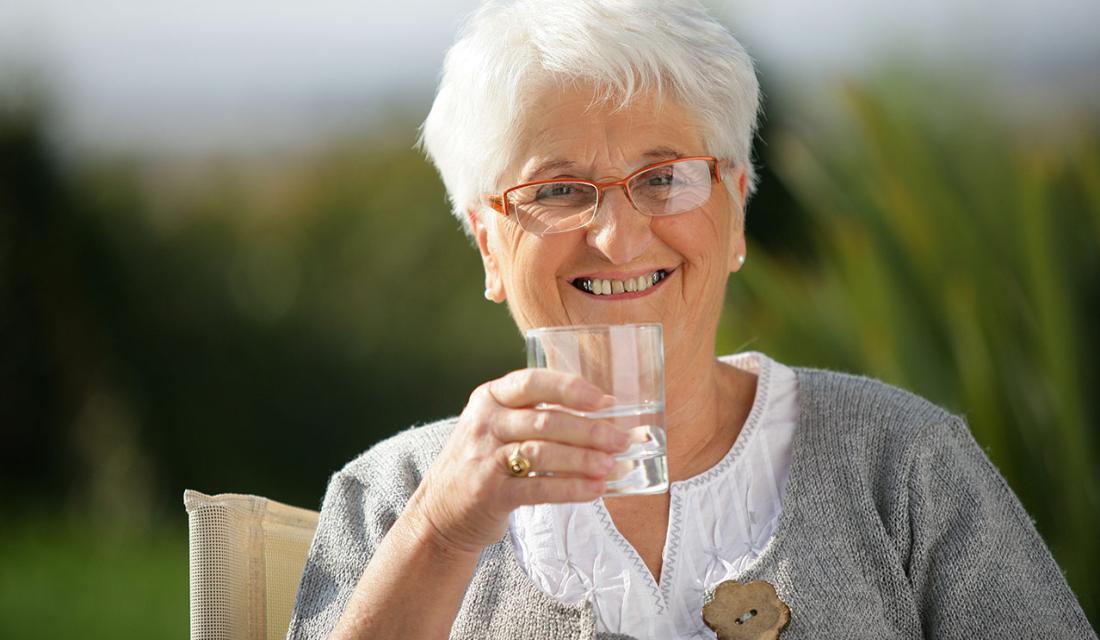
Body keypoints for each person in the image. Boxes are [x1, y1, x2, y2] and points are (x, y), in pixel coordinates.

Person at [286, 1, 1095, 638]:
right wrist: (441, 533)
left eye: (664, 177)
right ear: (490, 246)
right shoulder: (391, 499)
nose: (617, 236)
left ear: (736, 213)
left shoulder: (902, 462)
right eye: (558, 190)